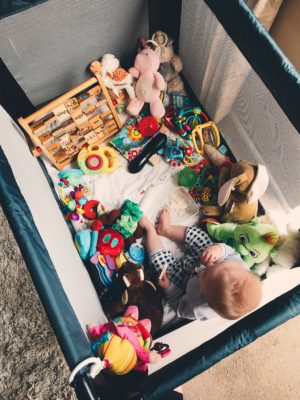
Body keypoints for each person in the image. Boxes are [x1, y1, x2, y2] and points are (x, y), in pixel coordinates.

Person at [139, 209, 262, 321]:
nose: (207, 265)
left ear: (207, 299)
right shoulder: (238, 266)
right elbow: (230, 252)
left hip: (184, 280)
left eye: (206, 274)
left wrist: (169, 288)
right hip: (202, 254)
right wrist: (218, 250)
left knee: (160, 267)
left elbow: (178, 305)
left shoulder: (198, 307)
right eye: (217, 264)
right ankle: (166, 229)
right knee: (201, 237)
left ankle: (150, 230)